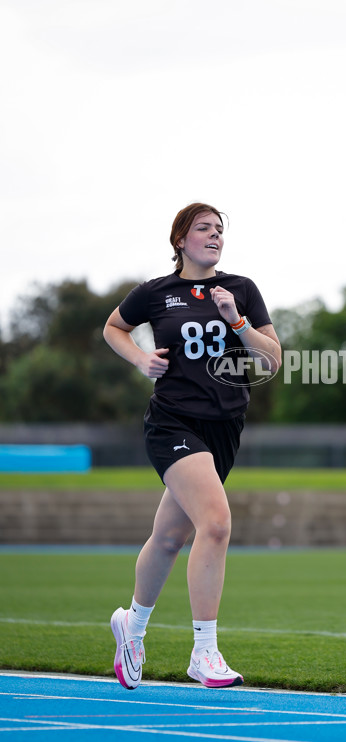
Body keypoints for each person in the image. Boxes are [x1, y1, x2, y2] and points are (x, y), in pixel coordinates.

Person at [103, 202, 281, 689]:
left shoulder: (241, 289)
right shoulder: (156, 293)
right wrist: (141, 359)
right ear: (180, 239)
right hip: (173, 422)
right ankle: (204, 651)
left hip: (224, 428)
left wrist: (237, 322)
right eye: (203, 228)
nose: (214, 235)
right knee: (217, 524)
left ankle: (132, 626)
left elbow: (272, 362)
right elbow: (112, 327)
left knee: (167, 539)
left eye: (220, 229)